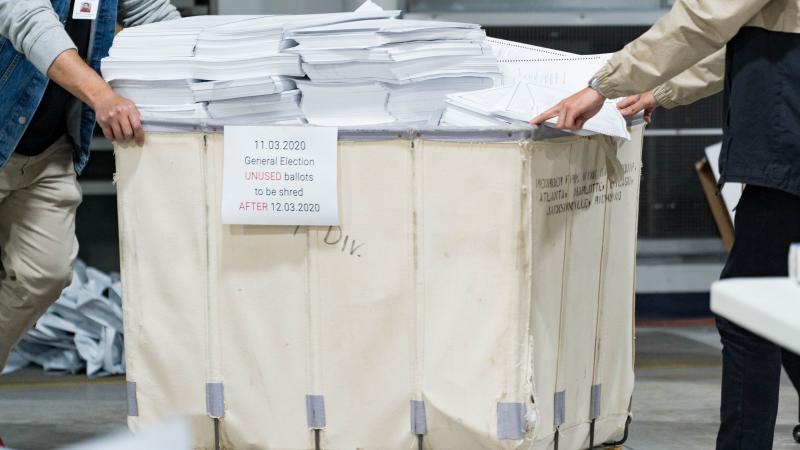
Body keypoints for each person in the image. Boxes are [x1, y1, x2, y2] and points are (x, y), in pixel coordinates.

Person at [531, 0, 800, 448]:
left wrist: (601, 86)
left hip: (786, 133)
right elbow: (739, 33)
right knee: (777, 298)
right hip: (787, 126)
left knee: (751, 310)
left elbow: (703, 19)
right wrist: (662, 90)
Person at [0, 0, 180, 375]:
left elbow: (153, 15)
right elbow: (28, 19)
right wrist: (102, 96)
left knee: (44, 273)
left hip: (47, 151)